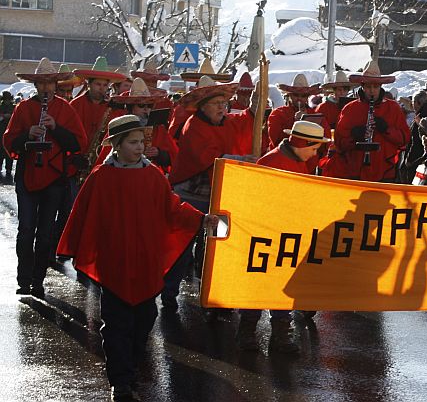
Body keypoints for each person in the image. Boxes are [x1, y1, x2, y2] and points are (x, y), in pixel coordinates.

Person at [56, 114, 215, 401]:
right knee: (117, 325)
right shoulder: (101, 177)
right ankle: (120, 381)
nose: (140, 147)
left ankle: (130, 366)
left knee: (144, 319)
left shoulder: (153, 175)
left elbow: (172, 208)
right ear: (116, 145)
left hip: (145, 262)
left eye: (141, 141)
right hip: (113, 263)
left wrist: (201, 219)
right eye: (132, 142)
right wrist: (72, 246)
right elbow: (82, 214)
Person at [234, 121, 334, 353]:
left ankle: (280, 336)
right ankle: (247, 333)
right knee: (259, 286)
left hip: (288, 235)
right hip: (265, 237)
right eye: (314, 148)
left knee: (283, 287)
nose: (315, 153)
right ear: (303, 143)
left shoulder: (298, 162)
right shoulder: (270, 163)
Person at [165, 76, 252, 312]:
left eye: (224, 104)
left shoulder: (225, 122)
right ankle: (169, 292)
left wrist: (255, 108)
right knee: (184, 244)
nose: (222, 108)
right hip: (192, 195)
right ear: (203, 106)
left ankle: (216, 293)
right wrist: (242, 160)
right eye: (217, 104)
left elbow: (243, 122)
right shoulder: (193, 126)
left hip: (219, 195)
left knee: (218, 243)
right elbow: (209, 158)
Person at [3, 58, 87, 296]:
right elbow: (9, 142)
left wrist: (55, 127)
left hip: (55, 179)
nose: (46, 88)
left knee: (45, 233)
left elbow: (77, 144)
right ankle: (23, 279)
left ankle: (38, 280)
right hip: (27, 176)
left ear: (55, 84)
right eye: (41, 83)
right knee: (26, 229)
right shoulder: (24, 108)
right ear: (36, 85)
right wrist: (28, 134)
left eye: (50, 83)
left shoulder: (65, 108)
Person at [334, 61, 410, 182]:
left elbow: (404, 139)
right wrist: (354, 135)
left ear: (381, 86)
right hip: (356, 171)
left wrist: (386, 130)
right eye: (368, 87)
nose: (372, 91)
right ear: (362, 86)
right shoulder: (350, 109)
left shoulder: (393, 108)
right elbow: (339, 143)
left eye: (375, 87)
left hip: (385, 171)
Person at [96, 78, 178, 173]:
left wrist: (159, 153)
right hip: (121, 173)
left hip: (148, 174)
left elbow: (174, 156)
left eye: (149, 106)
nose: (146, 109)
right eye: (141, 105)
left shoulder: (158, 128)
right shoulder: (120, 126)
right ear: (131, 107)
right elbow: (106, 159)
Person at [268, 73, 327, 171]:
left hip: (309, 168)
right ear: (289, 95)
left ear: (307, 97)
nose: (299, 98)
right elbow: (276, 141)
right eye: (296, 95)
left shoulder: (316, 116)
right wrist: (295, 125)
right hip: (283, 165)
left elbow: (325, 143)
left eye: (303, 96)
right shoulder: (278, 114)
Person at [71, 57, 127, 140]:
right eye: (98, 84)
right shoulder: (75, 104)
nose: (102, 89)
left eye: (105, 85)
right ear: (89, 84)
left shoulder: (113, 107)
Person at [0, 91, 16, 177]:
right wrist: (3, 116)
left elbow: (17, 118)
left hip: (10, 132)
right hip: (1, 131)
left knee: (9, 151)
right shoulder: (0, 107)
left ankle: (9, 169)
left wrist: (10, 116)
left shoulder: (14, 107)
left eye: (8, 99)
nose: (7, 101)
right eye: (6, 99)